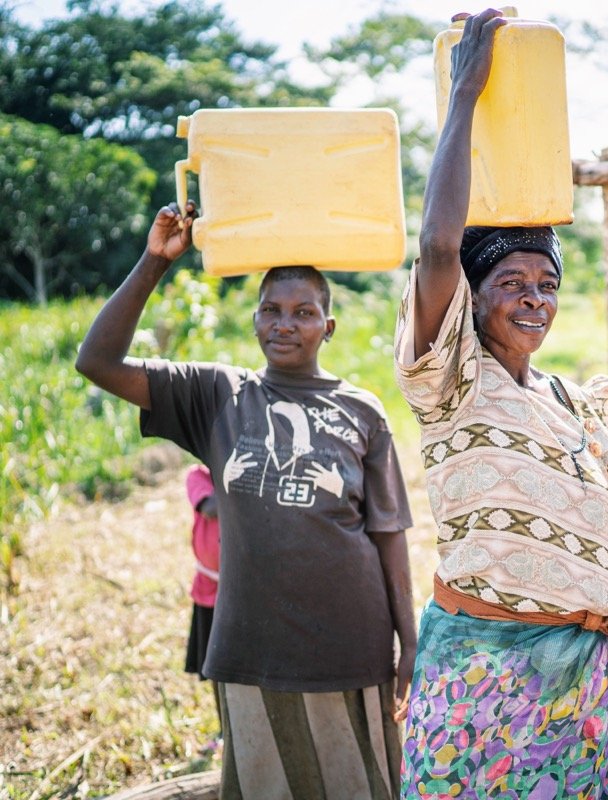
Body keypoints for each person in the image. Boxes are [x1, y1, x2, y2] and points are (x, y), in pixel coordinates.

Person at [393, 9, 608, 799]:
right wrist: (466, 94)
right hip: (487, 668)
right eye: (510, 283)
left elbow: (607, 539)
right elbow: (440, 245)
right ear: (470, 300)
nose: (533, 299)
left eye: (546, 283)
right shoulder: (450, 381)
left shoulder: (571, 400)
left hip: (586, 675)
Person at [75, 202, 417, 798]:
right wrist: (156, 262)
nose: (285, 324)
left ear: (327, 327)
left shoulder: (362, 410)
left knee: (359, 783)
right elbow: (97, 361)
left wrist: (408, 643)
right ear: (255, 321)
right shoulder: (216, 394)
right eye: (271, 311)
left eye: (304, 312)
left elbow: (388, 533)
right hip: (252, 644)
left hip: (352, 644)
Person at [183, 463, 221, 743]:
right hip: (210, 592)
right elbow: (210, 508)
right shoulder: (198, 476)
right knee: (217, 667)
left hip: (244, 589)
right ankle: (225, 730)